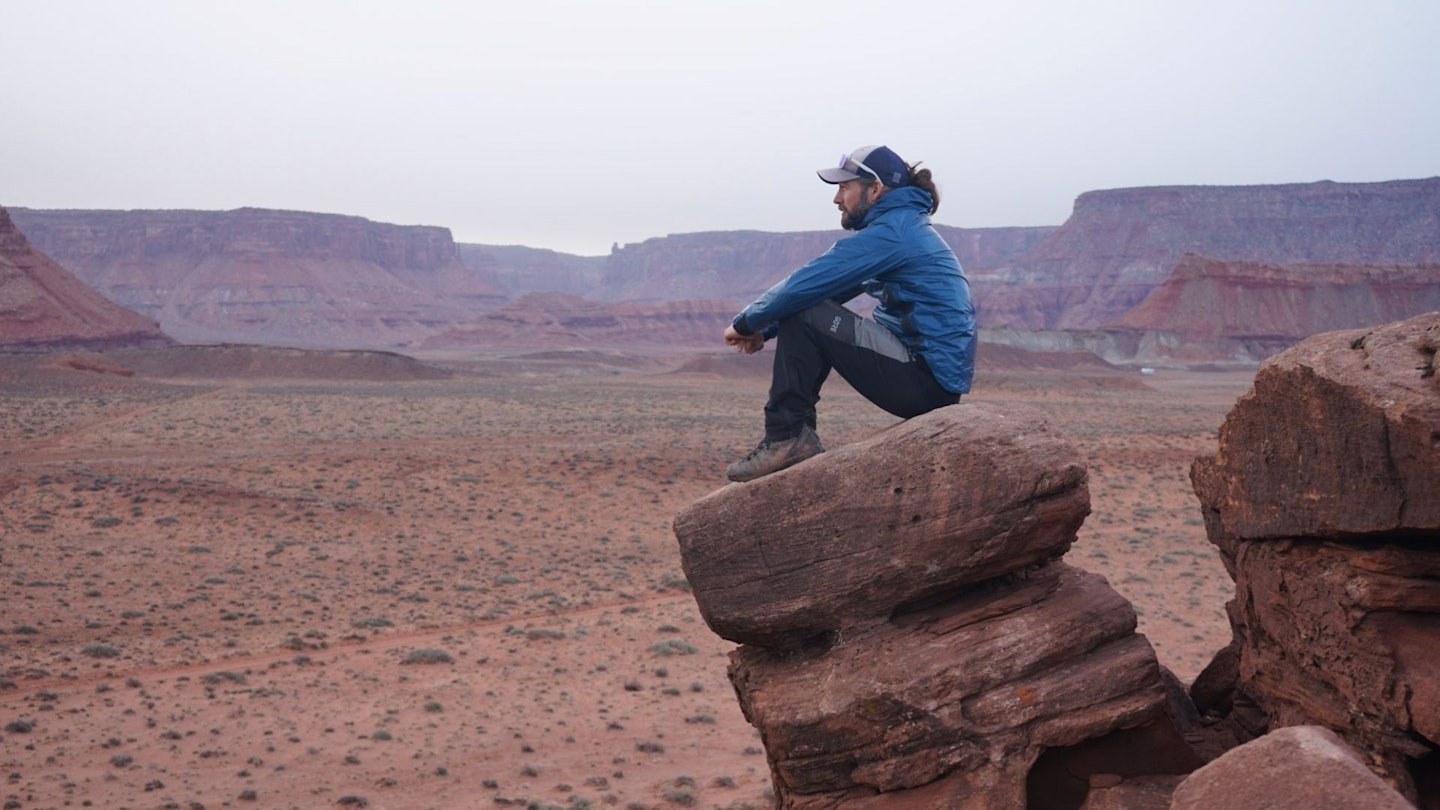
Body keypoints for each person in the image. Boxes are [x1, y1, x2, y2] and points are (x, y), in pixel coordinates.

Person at [722, 144, 975, 482]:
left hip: (924, 381)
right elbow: (831, 290)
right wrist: (765, 332)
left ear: (875, 188)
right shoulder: (900, 227)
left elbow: (807, 283)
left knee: (806, 306)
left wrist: (744, 322)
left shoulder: (892, 234)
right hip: (928, 378)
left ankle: (787, 437)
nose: (837, 199)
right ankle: (793, 437)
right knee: (807, 307)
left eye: (844, 187)